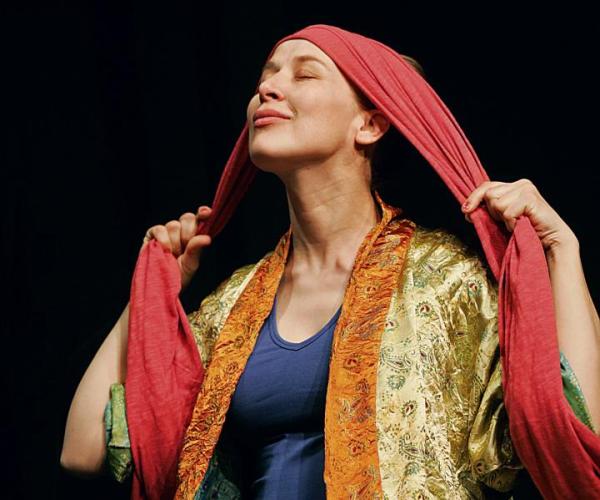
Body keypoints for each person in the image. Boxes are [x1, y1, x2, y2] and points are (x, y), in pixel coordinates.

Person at [61, 31, 599, 499]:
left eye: (304, 74)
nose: (268, 89)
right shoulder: (232, 307)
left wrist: (562, 250)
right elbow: (83, 450)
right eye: (266, 76)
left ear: (370, 123)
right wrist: (153, 293)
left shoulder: (442, 281)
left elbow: (577, 432)